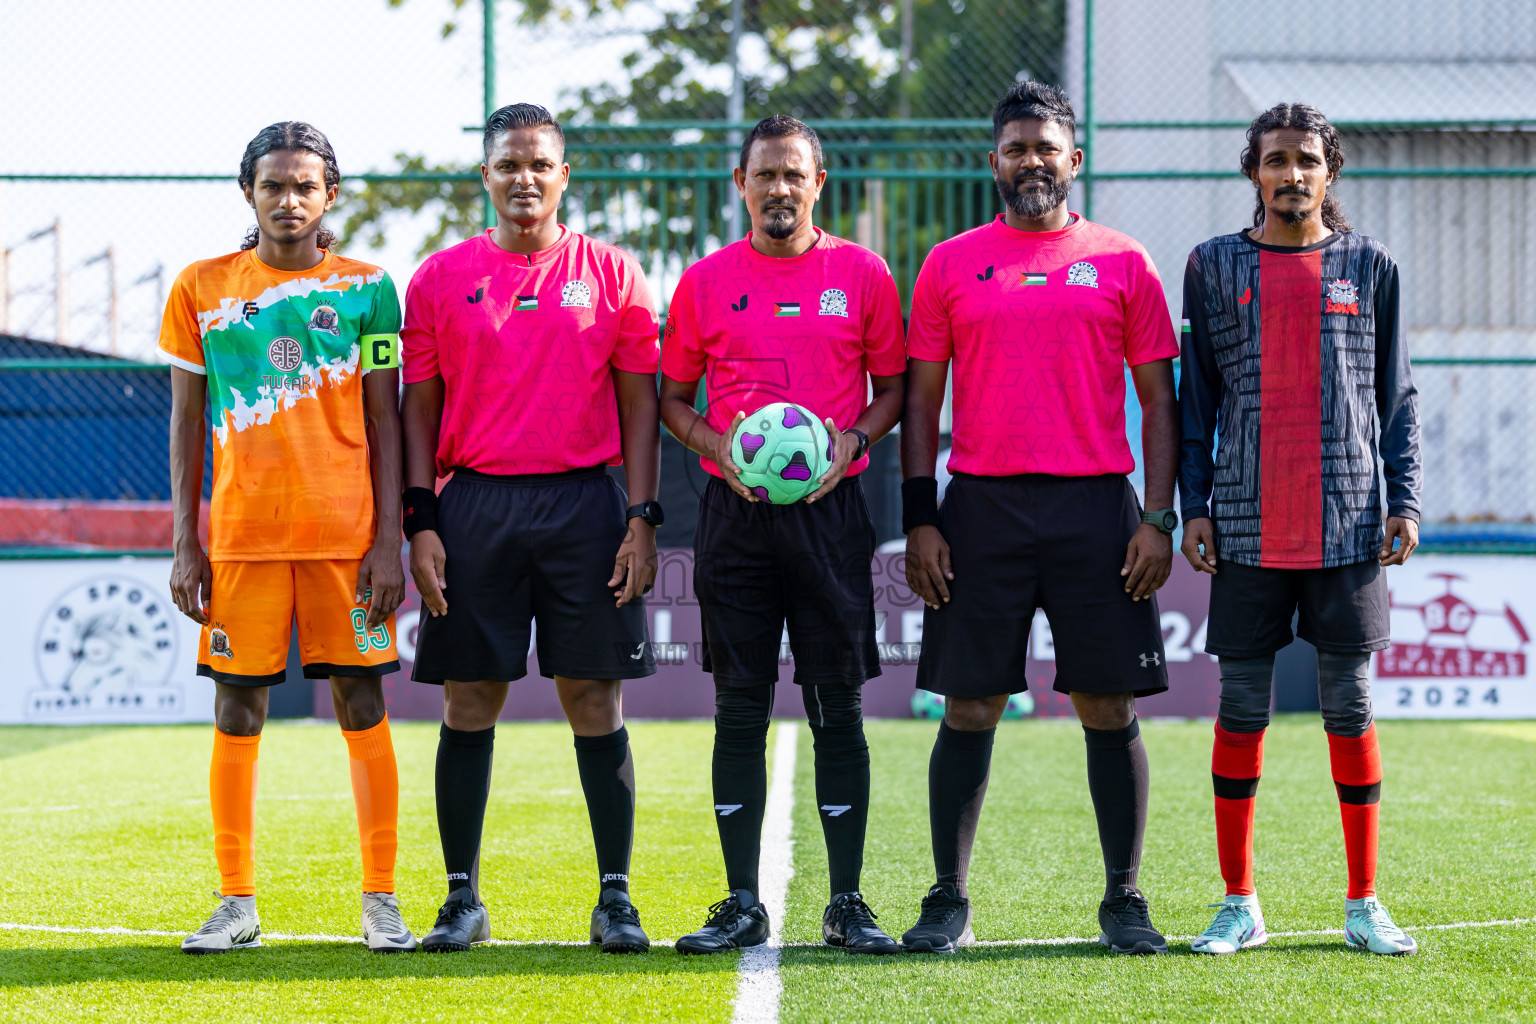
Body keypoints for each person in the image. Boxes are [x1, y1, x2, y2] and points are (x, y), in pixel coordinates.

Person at [900, 81, 1180, 956]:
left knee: (1105, 701)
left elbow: (1160, 404)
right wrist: (921, 518)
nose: (1032, 162)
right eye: (1016, 148)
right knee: (972, 705)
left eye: (1046, 148)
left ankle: (1124, 900)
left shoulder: (1124, 261)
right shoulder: (950, 263)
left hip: (1097, 507)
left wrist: (1159, 518)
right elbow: (920, 403)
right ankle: (948, 898)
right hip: (979, 507)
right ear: (995, 163)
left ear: (1074, 161)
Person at [400, 103, 662, 955]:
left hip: (585, 507)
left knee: (593, 696)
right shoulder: (440, 278)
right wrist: (422, 521)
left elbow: (640, 408)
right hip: (474, 506)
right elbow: (419, 409)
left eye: (539, 165)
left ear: (564, 175)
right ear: (487, 175)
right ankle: (460, 898)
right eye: (508, 164)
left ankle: (615, 899)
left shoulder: (614, 274)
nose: (524, 179)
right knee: (470, 697)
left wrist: (640, 517)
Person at [163, 122, 414, 954]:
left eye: (305, 185)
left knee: (362, 702)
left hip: (347, 541)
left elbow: (386, 419)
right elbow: (186, 422)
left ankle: (380, 898)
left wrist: (391, 541)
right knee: (237, 712)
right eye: (273, 185)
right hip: (241, 541)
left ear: (330, 196)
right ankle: (236, 902)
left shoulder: (370, 289)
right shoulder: (201, 288)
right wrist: (185, 542)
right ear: (249, 193)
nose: (289, 199)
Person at [659, 115, 906, 955]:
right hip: (736, 517)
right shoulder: (703, 283)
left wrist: (857, 442)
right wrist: (714, 448)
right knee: (739, 707)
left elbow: (894, 387)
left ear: (817, 183)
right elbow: (672, 399)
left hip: (831, 514)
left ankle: (846, 902)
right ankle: (740, 901)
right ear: (741, 183)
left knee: (838, 704)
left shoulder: (862, 275)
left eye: (793, 175)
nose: (779, 189)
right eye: (764, 175)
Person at [1180, 102, 1422, 957]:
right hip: (1246, 527)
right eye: (1277, 160)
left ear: (1331, 171)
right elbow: (1197, 403)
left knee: (1349, 710)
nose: (1292, 174)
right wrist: (1195, 505)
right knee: (1241, 709)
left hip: (1350, 521)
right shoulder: (1212, 267)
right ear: (1253, 172)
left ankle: (1363, 904)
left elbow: (1396, 398)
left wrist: (1406, 501)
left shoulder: (1372, 265)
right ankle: (1239, 902)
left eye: (1307, 160)